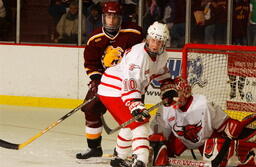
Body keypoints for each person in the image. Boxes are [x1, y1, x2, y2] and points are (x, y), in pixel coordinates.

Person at [97, 21, 171, 167]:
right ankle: (140, 161)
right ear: (147, 38)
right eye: (153, 40)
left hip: (120, 90)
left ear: (164, 43)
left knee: (130, 124)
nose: (155, 45)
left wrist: (168, 89)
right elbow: (130, 84)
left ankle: (119, 158)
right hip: (112, 90)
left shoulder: (162, 55)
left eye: (159, 42)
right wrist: (135, 106)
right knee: (140, 124)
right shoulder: (139, 55)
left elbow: (162, 73)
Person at [76, 1, 143, 160]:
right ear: (103, 17)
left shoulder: (134, 33)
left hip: (129, 82)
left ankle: (130, 149)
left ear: (120, 17)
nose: (111, 21)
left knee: (132, 115)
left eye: (114, 17)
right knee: (90, 108)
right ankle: (94, 148)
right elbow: (91, 63)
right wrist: (97, 79)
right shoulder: (95, 38)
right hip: (106, 82)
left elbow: (142, 57)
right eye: (108, 17)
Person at [149, 76, 256, 166]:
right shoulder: (164, 109)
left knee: (218, 154)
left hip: (207, 139)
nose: (170, 100)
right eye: (166, 97)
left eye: (174, 95)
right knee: (157, 146)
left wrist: (235, 129)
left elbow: (224, 127)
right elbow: (159, 135)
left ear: (186, 92)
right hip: (182, 140)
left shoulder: (203, 104)